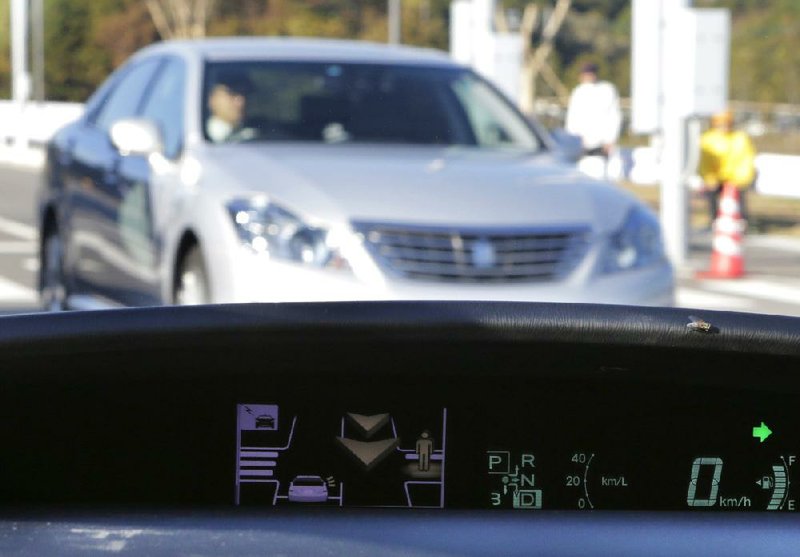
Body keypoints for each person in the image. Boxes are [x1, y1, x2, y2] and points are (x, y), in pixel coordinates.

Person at [698, 110, 756, 223]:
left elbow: (745, 161)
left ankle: (741, 221)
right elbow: (704, 162)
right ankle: (714, 220)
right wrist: (709, 178)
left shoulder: (739, 138)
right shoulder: (708, 139)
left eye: (726, 124)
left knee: (738, 197)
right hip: (715, 178)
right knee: (711, 194)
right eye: (720, 124)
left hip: (735, 179)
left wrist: (738, 180)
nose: (723, 127)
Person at [565, 63, 622, 159]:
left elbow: (614, 116)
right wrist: (572, 139)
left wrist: (610, 140)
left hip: (601, 143)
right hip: (582, 143)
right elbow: (572, 117)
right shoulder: (578, 92)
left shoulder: (607, 89)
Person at [206, 71, 257, 143]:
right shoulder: (201, 137)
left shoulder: (256, 136)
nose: (241, 102)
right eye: (232, 93)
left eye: (245, 93)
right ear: (211, 98)